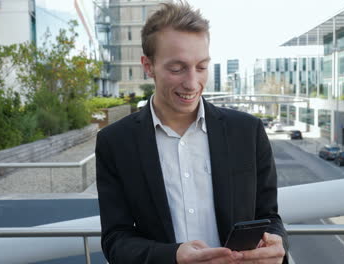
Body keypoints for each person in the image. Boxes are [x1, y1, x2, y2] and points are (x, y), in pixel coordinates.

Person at [96, 2, 288, 263]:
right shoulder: (115, 142)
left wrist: (277, 245)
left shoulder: (247, 131)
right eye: (177, 69)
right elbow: (115, 240)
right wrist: (173, 256)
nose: (192, 82)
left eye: (201, 67)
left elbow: (270, 218)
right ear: (148, 66)